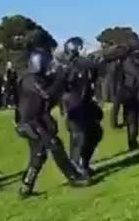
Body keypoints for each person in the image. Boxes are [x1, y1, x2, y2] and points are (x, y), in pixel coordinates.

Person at [15, 47, 90, 198]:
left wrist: (64, 75)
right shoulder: (29, 79)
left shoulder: (37, 77)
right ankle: (74, 178)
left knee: (39, 154)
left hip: (37, 120)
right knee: (54, 146)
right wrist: (61, 78)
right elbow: (47, 94)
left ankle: (26, 188)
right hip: (30, 122)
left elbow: (54, 88)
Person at [60, 37, 104, 174]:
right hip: (75, 105)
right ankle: (75, 167)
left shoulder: (83, 63)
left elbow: (94, 71)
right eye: (81, 47)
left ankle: (83, 163)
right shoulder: (71, 66)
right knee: (79, 136)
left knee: (95, 133)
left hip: (85, 104)